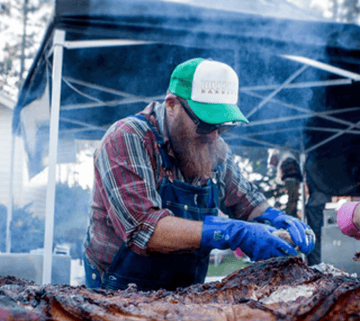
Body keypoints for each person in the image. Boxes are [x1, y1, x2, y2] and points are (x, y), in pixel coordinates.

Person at [83, 58, 316, 291]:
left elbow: (246, 202)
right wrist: (230, 231)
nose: (215, 135)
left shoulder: (216, 147)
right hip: (117, 292)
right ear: (172, 105)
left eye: (223, 126)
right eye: (205, 124)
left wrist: (277, 218)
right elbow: (146, 230)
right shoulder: (127, 137)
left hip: (184, 292)